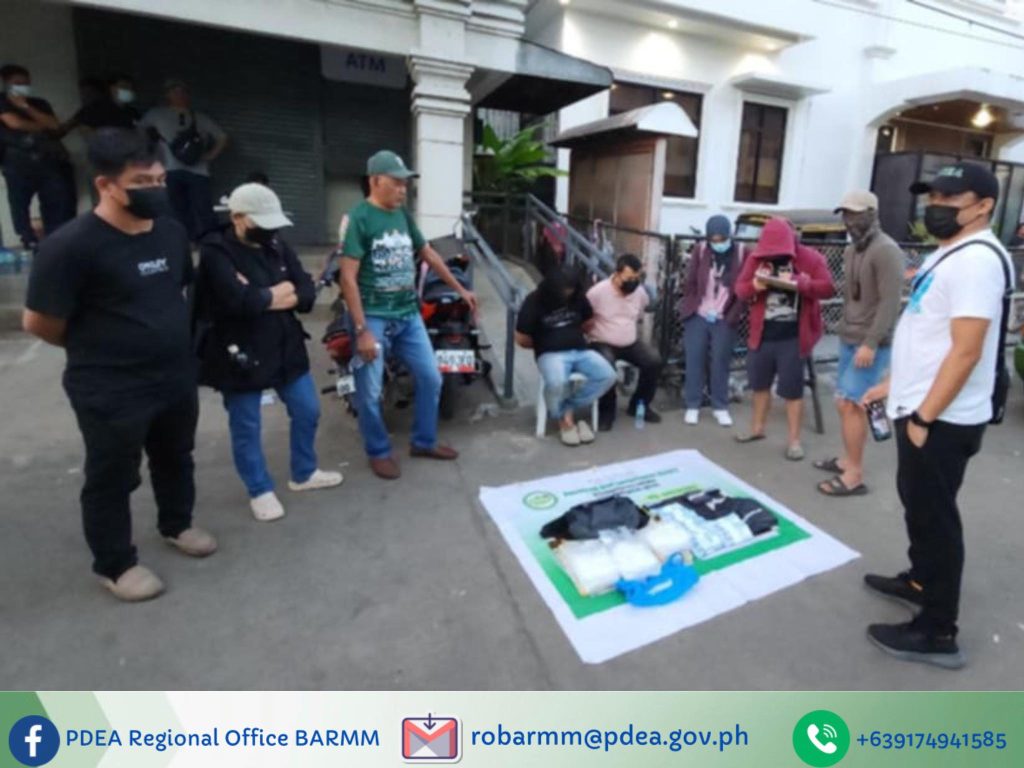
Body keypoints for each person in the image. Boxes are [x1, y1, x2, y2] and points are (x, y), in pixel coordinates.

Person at [22, 128, 217, 602]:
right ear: (105, 185)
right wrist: (101, 348)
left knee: (176, 456)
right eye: (141, 183)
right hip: (111, 387)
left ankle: (177, 524)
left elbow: (177, 290)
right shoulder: (70, 247)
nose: (155, 190)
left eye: (159, 179)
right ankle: (115, 564)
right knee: (112, 476)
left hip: (174, 376)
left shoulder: (170, 232)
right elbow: (38, 323)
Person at [861, 163, 1014, 669]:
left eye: (950, 197)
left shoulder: (977, 262)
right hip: (922, 405)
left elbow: (966, 350)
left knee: (935, 518)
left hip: (942, 418)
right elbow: (928, 332)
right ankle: (920, 580)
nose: (937, 206)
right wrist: (893, 384)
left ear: (983, 205)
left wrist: (924, 417)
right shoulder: (951, 252)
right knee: (918, 505)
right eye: (933, 196)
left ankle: (937, 630)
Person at [196, 183, 343, 522]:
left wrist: (270, 295)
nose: (270, 230)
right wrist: (278, 292)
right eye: (261, 223)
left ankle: (304, 472)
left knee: (307, 410)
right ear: (237, 218)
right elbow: (239, 302)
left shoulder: (276, 244)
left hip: (284, 344)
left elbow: (306, 293)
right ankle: (259, 489)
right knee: (247, 425)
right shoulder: (216, 252)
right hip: (240, 351)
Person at [340, 150, 477, 480]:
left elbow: (428, 253)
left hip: (407, 314)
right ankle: (378, 451)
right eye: (397, 183)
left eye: (406, 184)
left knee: (431, 377)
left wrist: (460, 289)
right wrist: (361, 330)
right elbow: (347, 278)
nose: (403, 190)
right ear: (375, 181)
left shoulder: (402, 216)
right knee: (369, 392)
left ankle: (423, 441)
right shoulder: (359, 219)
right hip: (373, 316)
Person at [814, 191, 904, 497]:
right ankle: (847, 460)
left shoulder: (886, 250)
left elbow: (890, 303)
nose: (848, 220)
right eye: (845, 214)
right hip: (849, 337)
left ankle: (854, 474)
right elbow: (852, 296)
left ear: (871, 214)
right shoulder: (852, 250)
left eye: (854, 214)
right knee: (844, 402)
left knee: (852, 403)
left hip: (871, 342)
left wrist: (871, 342)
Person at [734, 217, 835, 460]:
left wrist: (801, 283)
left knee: (792, 390)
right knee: (759, 385)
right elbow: (740, 289)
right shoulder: (756, 258)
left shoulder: (810, 258)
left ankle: (794, 441)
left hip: (793, 337)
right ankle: (757, 429)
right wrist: (755, 285)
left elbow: (828, 288)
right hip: (762, 335)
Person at [517, 265, 617, 446]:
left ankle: (565, 408)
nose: (568, 293)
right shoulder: (534, 301)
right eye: (564, 289)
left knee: (608, 376)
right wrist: (543, 344)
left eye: (571, 288)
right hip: (550, 354)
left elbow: (588, 321)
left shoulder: (578, 296)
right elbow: (521, 338)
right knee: (557, 383)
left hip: (580, 350)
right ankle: (565, 420)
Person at [679, 214, 746, 427]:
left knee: (720, 361)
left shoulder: (742, 253)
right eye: (713, 240)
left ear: (729, 236)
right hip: (698, 313)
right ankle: (692, 405)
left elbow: (744, 287)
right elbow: (690, 282)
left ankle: (720, 407)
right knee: (694, 360)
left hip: (724, 316)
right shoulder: (701, 251)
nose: (718, 244)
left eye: (722, 239)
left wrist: (734, 313)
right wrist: (690, 305)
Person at [0, 63, 77, 250]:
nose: (23, 86)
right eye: (17, 83)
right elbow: (14, 123)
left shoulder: (39, 103)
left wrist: (26, 106)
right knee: (19, 203)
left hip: (46, 158)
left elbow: (54, 125)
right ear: (6, 83)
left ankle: (56, 240)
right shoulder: (2, 101)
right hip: (16, 160)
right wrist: (41, 126)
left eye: (26, 83)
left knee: (56, 200)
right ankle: (28, 239)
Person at [141, 78, 227, 241]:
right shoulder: (156, 114)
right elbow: (138, 132)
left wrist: (211, 155)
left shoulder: (200, 117)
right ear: (167, 95)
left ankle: (212, 243)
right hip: (168, 169)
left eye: (182, 92)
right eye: (174, 92)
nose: (179, 95)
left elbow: (222, 137)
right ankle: (185, 242)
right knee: (176, 210)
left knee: (204, 209)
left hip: (198, 170)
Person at [585, 253, 663, 431]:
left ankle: (639, 405)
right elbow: (585, 316)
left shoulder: (639, 292)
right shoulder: (598, 292)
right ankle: (606, 413)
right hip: (601, 340)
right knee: (607, 367)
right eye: (629, 278)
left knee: (653, 361)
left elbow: (639, 314)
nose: (633, 282)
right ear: (617, 274)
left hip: (629, 342)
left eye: (636, 278)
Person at [60, 75, 139, 136]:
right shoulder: (94, 109)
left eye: (130, 88)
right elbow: (70, 126)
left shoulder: (132, 112)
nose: (128, 90)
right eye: (124, 86)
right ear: (112, 88)